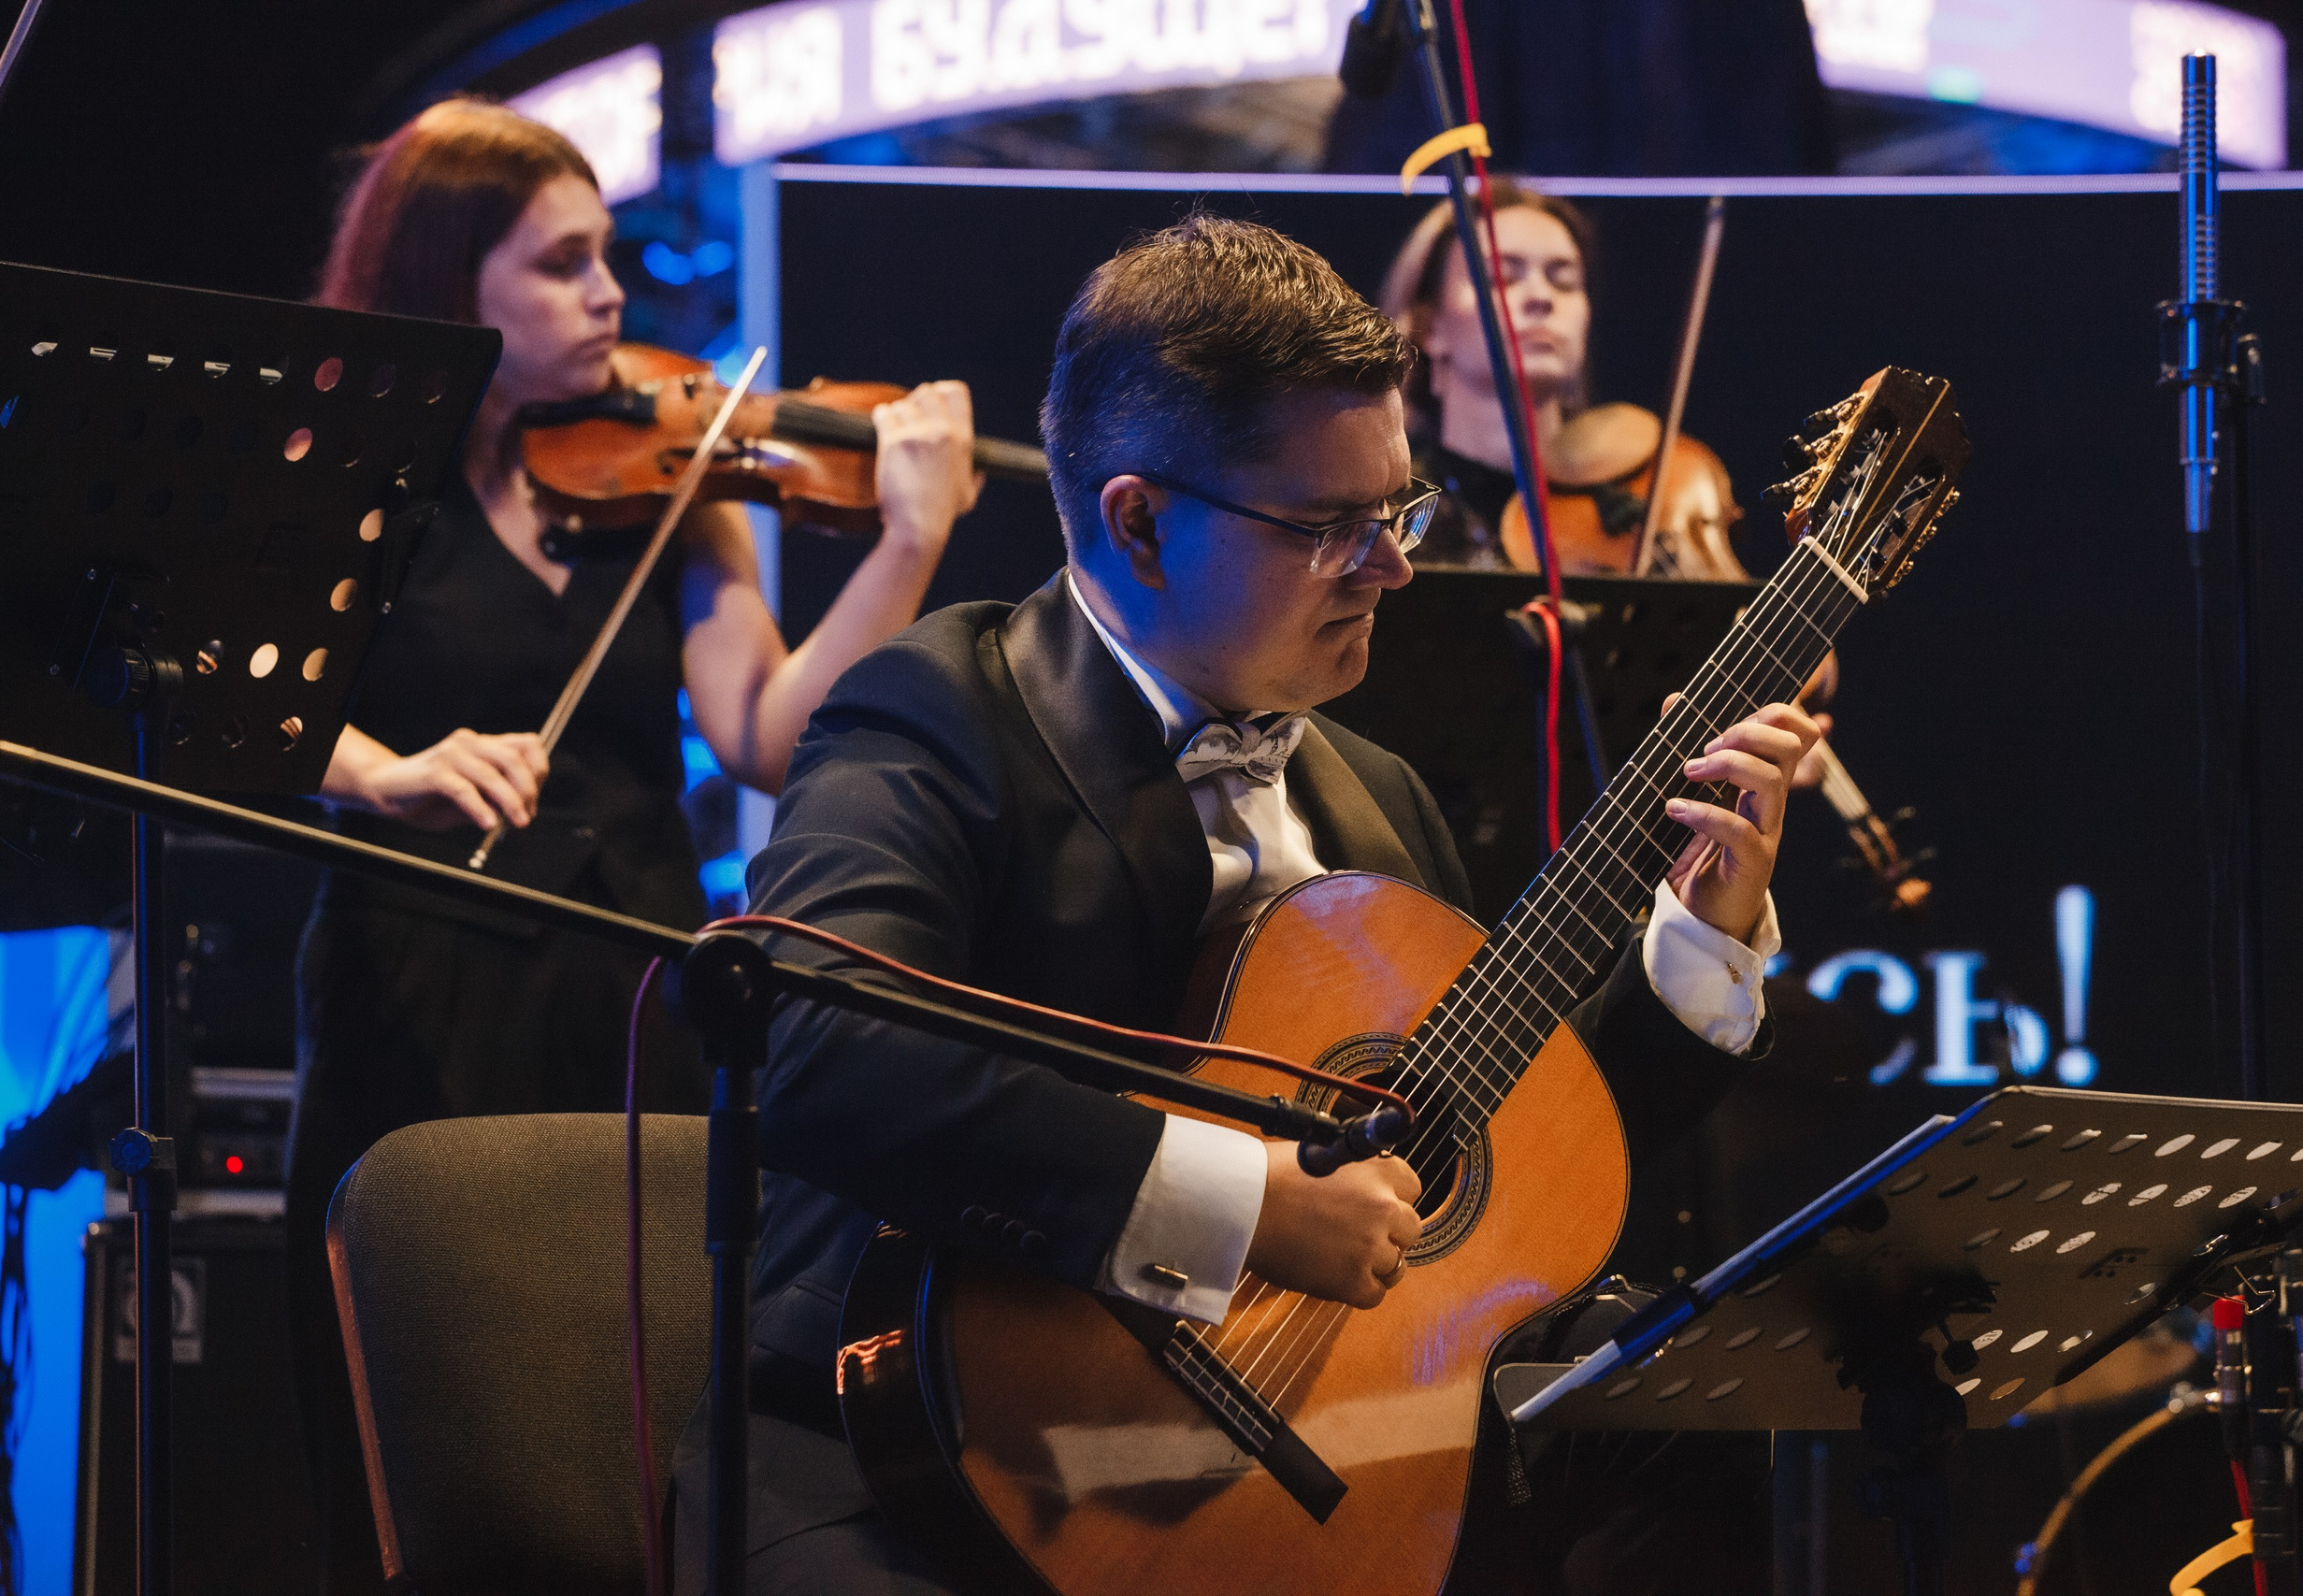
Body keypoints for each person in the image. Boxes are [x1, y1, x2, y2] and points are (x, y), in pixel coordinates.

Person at [688, 214, 1815, 1593]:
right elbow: (825, 1050)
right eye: (1330, 525)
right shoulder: (937, 710)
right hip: (921, 1450)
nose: (1395, 565)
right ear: (1140, 521)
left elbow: (1511, 1187)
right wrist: (1239, 1204)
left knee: (1692, 1409)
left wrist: (1700, 938)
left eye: (1392, 510)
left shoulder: (1378, 798)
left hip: (1308, 1442)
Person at [288, 98, 983, 1592]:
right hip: (420, 980)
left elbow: (771, 731)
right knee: (429, 1411)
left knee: (636, 1394)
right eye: (562, 264)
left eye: (606, 256)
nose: (611, 292)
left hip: (641, 986)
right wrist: (389, 772)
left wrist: (909, 545)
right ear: (443, 282)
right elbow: (267, 705)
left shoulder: (676, 480)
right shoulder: (344, 474)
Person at [1379, 179, 1745, 582]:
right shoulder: (1390, 517)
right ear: (1430, 327)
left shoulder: (1640, 503)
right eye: (1503, 276)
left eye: (1564, 279)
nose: (1541, 296)